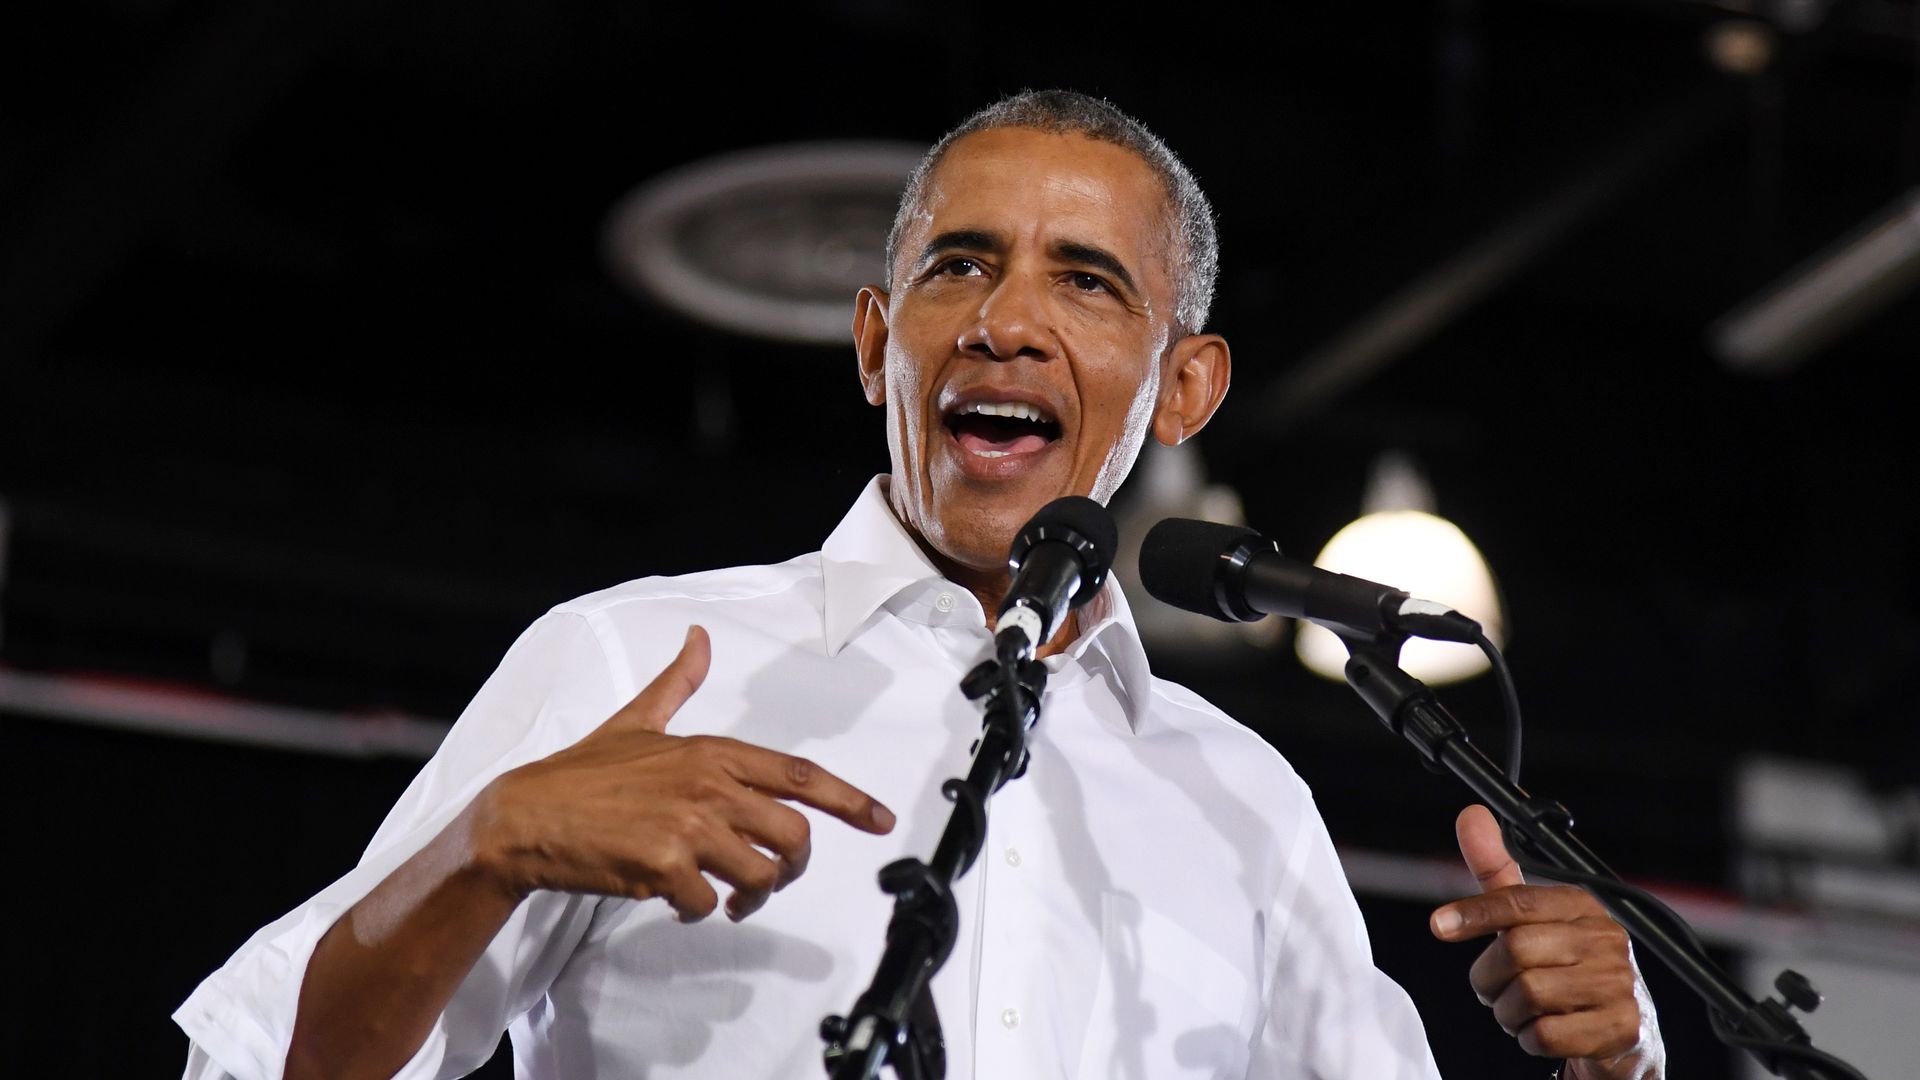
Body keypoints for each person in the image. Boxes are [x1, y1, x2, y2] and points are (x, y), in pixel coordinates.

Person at [176, 90, 1665, 1079]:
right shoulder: (637, 656)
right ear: (877, 340)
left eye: (1087, 282)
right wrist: (485, 850)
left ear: (1186, 384)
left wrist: (1616, 1068)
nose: (1005, 320)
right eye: (959, 267)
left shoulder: (1240, 799)